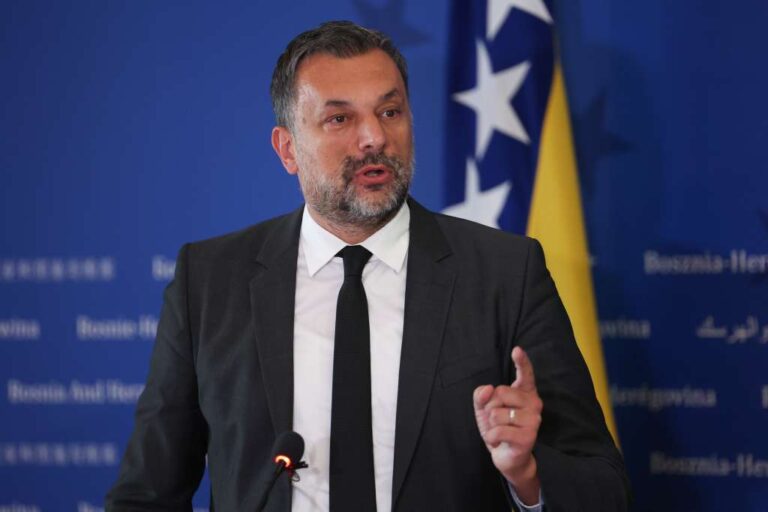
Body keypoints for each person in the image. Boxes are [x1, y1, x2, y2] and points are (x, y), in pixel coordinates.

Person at [106, 20, 630, 512]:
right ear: (288, 149)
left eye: (390, 111)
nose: (374, 138)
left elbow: (604, 485)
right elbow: (146, 494)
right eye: (340, 119)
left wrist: (527, 474)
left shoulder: (503, 274)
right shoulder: (209, 282)